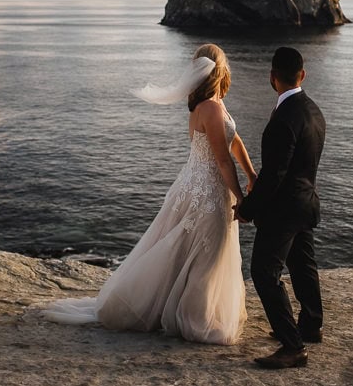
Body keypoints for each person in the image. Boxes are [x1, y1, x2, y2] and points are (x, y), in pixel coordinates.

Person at [42, 43, 255, 345]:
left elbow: (235, 142)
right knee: (208, 255)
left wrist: (251, 174)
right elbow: (221, 159)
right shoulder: (210, 107)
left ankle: (187, 308)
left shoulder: (209, 104)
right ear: (220, 69)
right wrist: (243, 199)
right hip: (205, 191)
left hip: (194, 185)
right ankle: (197, 319)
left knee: (190, 251)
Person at [235, 47, 326, 369]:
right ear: (302, 74)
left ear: (272, 77)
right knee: (303, 266)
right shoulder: (314, 111)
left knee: (264, 272)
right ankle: (311, 325)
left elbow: (274, 175)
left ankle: (293, 345)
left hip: (284, 210)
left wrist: (248, 208)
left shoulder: (283, 120)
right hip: (306, 203)